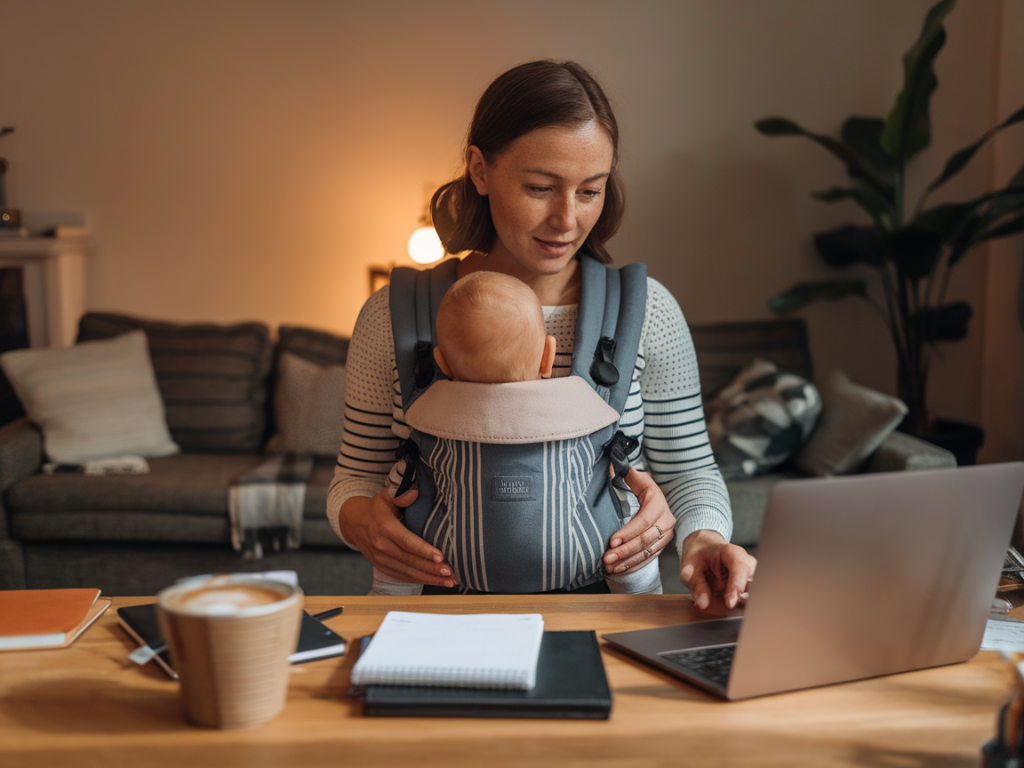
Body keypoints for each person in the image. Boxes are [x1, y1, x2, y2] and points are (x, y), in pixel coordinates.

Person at [327, 59, 756, 610]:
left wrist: (705, 540)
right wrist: (363, 522)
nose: (567, 220)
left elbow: (691, 471)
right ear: (479, 170)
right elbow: (354, 478)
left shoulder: (649, 313)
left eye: (589, 191)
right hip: (432, 616)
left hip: (606, 613)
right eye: (540, 187)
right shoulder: (391, 315)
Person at [370, 269, 663, 597]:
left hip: (448, 562)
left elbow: (404, 484)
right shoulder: (583, 406)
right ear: (547, 356)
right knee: (627, 520)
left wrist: (390, 496)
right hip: (583, 557)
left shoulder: (429, 414)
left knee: (398, 535)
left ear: (443, 363)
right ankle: (642, 596)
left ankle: (387, 599)